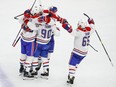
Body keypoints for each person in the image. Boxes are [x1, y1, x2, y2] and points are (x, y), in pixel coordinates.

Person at [62, 18, 95, 84]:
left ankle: (71, 77)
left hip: (77, 52)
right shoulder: (89, 31)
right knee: (76, 64)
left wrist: (65, 24)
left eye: (79, 25)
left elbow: (71, 31)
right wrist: (91, 22)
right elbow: (93, 28)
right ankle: (72, 74)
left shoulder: (79, 32)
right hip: (84, 53)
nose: (78, 26)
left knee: (71, 64)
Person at [30, 13, 60, 78]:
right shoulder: (52, 25)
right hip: (46, 43)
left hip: (39, 43)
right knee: (44, 58)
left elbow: (33, 24)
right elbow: (57, 34)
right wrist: (56, 29)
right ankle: (46, 72)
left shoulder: (41, 24)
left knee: (35, 57)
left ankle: (34, 71)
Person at [18, 6, 43, 78]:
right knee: (30, 56)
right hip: (30, 41)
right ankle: (26, 71)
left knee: (23, 54)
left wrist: (25, 16)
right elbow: (37, 27)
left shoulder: (26, 18)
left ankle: (21, 66)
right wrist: (26, 15)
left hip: (23, 39)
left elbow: (20, 21)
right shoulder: (34, 20)